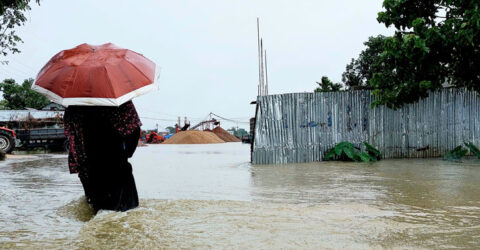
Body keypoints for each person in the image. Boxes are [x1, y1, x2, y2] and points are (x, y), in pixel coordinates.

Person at [63, 100, 142, 212]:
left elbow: (72, 139)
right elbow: (134, 129)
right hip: (116, 163)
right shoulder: (119, 101)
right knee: (127, 211)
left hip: (90, 167)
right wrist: (127, 154)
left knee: (98, 210)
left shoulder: (74, 105)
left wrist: (81, 168)